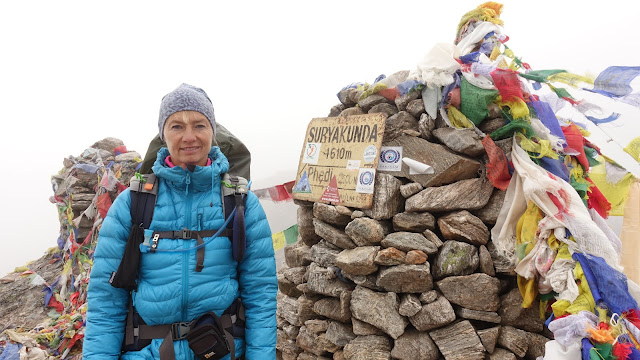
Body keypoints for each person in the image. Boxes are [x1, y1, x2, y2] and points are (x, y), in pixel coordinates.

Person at [84, 83, 277, 359]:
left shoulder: (239, 202)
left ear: (213, 131)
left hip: (222, 350)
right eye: (176, 126)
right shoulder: (133, 204)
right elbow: (106, 302)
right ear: (163, 134)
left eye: (199, 125)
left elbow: (260, 296)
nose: (189, 136)